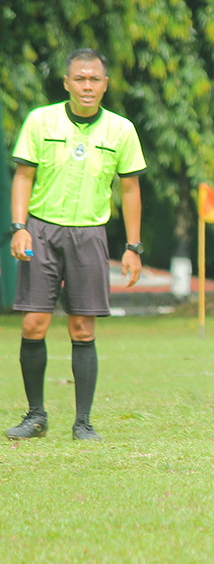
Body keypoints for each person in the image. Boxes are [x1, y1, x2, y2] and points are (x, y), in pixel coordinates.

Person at [6, 48, 146, 441]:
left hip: (90, 234)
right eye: (80, 79)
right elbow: (23, 176)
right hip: (42, 231)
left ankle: (83, 422)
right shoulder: (40, 120)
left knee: (82, 327)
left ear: (106, 84)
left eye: (94, 79)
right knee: (34, 323)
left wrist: (133, 247)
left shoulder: (121, 130)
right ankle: (35, 416)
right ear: (66, 82)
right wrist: (19, 227)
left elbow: (130, 189)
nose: (87, 86)